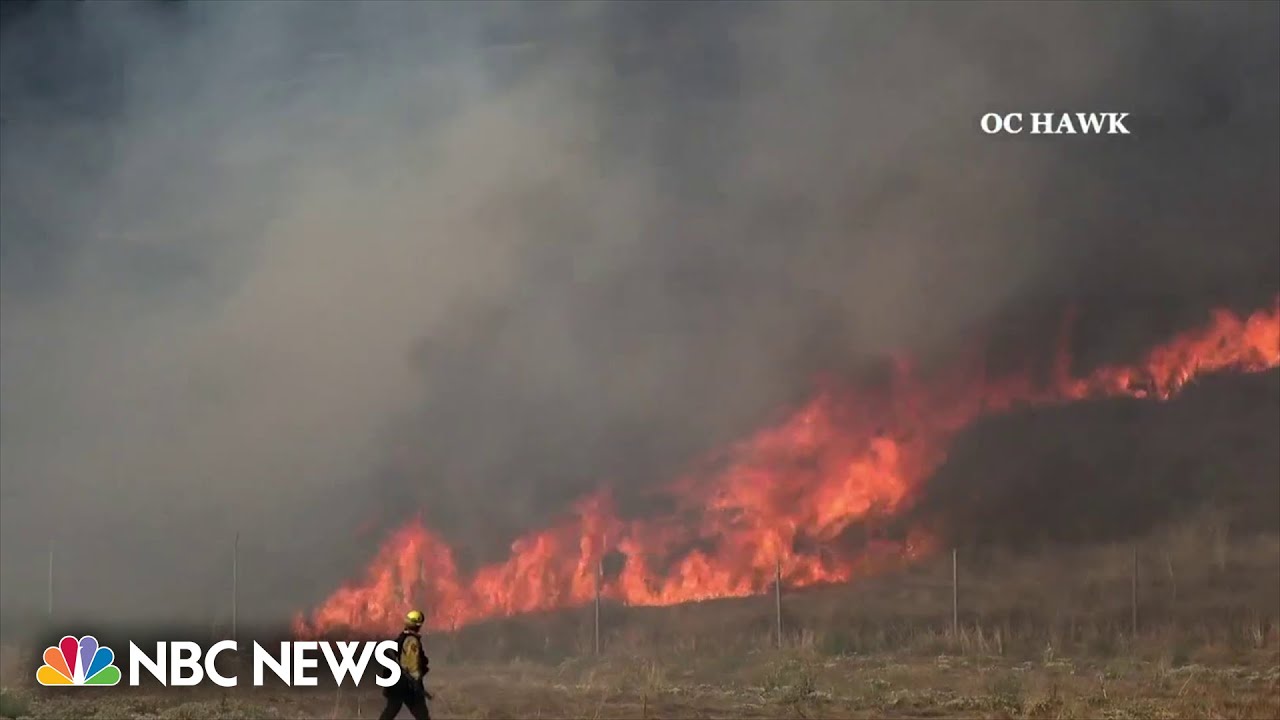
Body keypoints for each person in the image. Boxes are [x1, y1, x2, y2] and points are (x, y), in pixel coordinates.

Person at [378, 610, 433, 720]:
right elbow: (411, 663)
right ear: (418, 625)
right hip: (408, 686)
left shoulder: (401, 638)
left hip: (397, 685)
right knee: (422, 716)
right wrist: (416, 682)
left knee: (390, 711)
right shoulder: (412, 641)